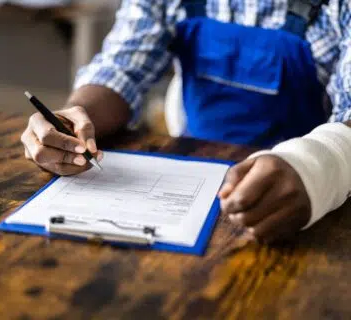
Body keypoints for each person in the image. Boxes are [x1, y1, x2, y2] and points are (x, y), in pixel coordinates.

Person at [21, 0, 351, 242]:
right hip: (194, 182)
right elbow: (121, 69)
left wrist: (317, 167)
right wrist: (75, 117)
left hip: (301, 194)